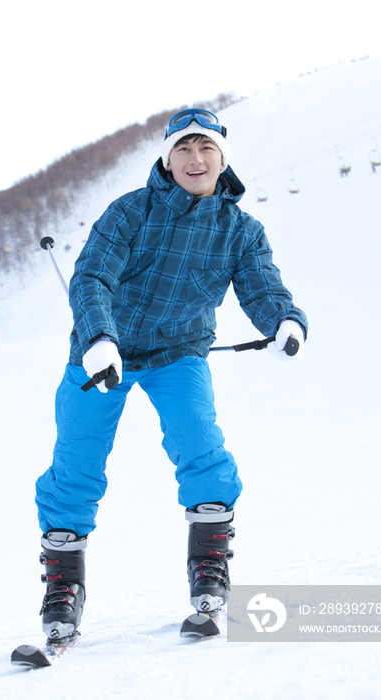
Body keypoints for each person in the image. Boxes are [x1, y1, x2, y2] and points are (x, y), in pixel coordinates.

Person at [35, 108, 308, 640]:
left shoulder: (241, 231)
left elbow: (262, 287)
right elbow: (91, 277)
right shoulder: (130, 212)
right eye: (183, 149)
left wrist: (285, 322)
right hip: (102, 356)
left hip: (178, 354)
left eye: (206, 149)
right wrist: (98, 339)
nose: (195, 159)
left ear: (222, 160)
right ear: (167, 159)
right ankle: (63, 589)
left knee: (200, 444)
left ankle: (208, 567)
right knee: (75, 465)